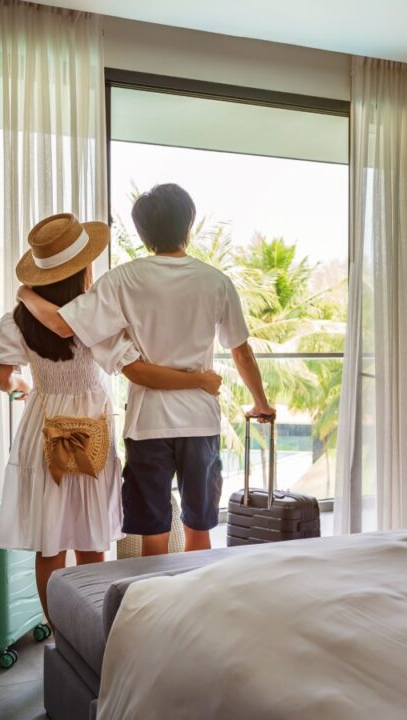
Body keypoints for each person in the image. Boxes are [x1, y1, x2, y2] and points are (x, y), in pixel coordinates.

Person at [0, 212, 222, 624]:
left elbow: (0, 376)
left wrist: (24, 388)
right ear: (81, 269)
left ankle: (62, 633)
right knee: (91, 539)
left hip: (43, 429)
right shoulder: (97, 317)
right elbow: (124, 362)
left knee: (50, 544)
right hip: (91, 428)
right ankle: (93, 629)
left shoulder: (17, 320)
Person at [18, 184, 274, 557]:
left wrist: (24, 294)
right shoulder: (216, 281)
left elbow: (62, 325)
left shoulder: (123, 279)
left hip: (147, 424)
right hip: (199, 421)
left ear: (142, 233)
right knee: (199, 528)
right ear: (189, 223)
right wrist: (260, 403)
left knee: (154, 534)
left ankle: (158, 610)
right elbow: (242, 351)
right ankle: (195, 608)